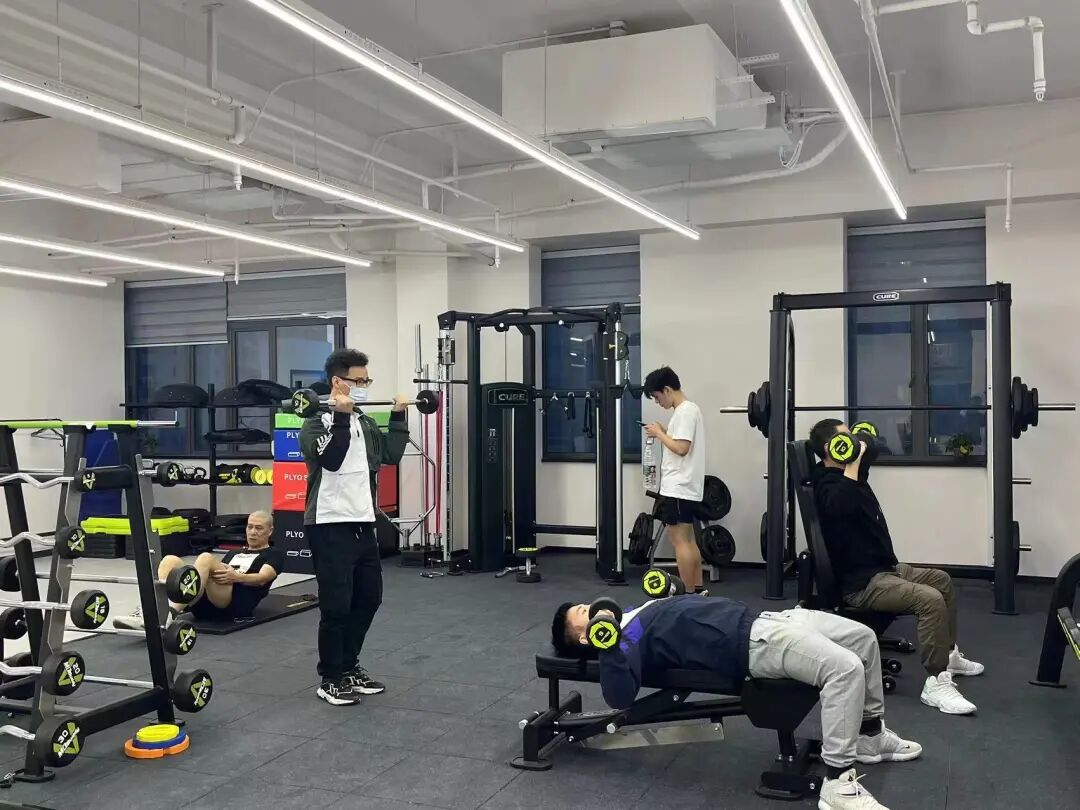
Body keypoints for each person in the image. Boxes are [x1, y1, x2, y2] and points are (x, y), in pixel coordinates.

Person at [553, 593, 920, 810]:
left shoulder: (638, 612)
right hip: (754, 642)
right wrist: (609, 642)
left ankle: (869, 735)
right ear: (587, 638)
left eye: (586, 605)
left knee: (863, 638)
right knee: (845, 668)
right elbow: (619, 695)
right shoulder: (624, 638)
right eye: (584, 613)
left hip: (772, 617)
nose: (592, 606)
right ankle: (837, 783)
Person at [809, 419, 984, 716]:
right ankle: (936, 682)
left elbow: (872, 449)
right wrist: (852, 464)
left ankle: (949, 655)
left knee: (940, 580)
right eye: (846, 438)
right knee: (929, 600)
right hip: (862, 584)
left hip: (883, 568)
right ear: (832, 449)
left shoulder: (850, 475)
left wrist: (862, 448)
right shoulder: (827, 483)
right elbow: (839, 506)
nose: (853, 443)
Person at [300, 348, 410, 706]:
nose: (364, 387)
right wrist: (342, 417)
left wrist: (398, 415)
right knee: (336, 606)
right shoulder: (315, 422)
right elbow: (331, 460)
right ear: (338, 382)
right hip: (329, 524)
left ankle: (349, 666)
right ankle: (330, 677)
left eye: (367, 381)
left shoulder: (364, 421)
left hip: (363, 522)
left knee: (368, 598)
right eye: (358, 381)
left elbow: (391, 455)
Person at [113, 510, 283, 629]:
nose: (252, 532)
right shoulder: (234, 553)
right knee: (170, 560)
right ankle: (151, 610)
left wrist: (236, 577)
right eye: (250, 527)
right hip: (204, 604)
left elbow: (263, 578)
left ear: (270, 531)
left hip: (235, 604)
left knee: (205, 558)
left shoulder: (274, 554)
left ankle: (169, 614)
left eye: (258, 528)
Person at [642, 366, 707, 593]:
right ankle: (696, 590)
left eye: (657, 396)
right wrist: (665, 431)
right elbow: (679, 442)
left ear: (667, 390)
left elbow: (681, 448)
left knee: (681, 542)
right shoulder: (687, 411)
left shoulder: (685, 411)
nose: (657, 402)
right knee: (688, 540)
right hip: (684, 486)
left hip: (678, 487)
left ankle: (688, 594)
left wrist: (659, 434)